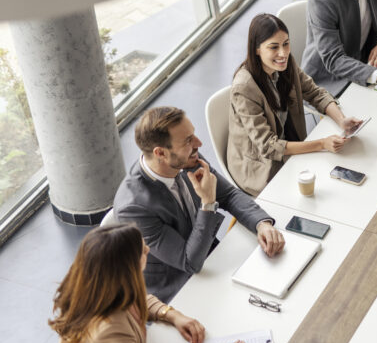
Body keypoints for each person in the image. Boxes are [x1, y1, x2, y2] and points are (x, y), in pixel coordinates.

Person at [114, 106, 285, 302]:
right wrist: (208, 203)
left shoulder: (185, 158)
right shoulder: (133, 208)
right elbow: (189, 262)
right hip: (180, 288)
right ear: (160, 153)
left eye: (193, 135)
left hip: (213, 259)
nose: (198, 143)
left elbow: (228, 195)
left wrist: (261, 224)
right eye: (188, 140)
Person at [50, 223, 245, 343]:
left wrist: (172, 315)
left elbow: (139, 299)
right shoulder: (107, 328)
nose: (148, 250)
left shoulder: (100, 284)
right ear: (127, 268)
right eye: (142, 251)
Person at [228, 13, 362, 196]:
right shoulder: (244, 87)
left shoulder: (285, 63)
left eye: (286, 43)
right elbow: (268, 146)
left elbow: (315, 93)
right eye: (273, 47)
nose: (283, 53)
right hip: (262, 166)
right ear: (257, 49)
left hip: (290, 146)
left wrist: (342, 120)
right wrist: (322, 143)